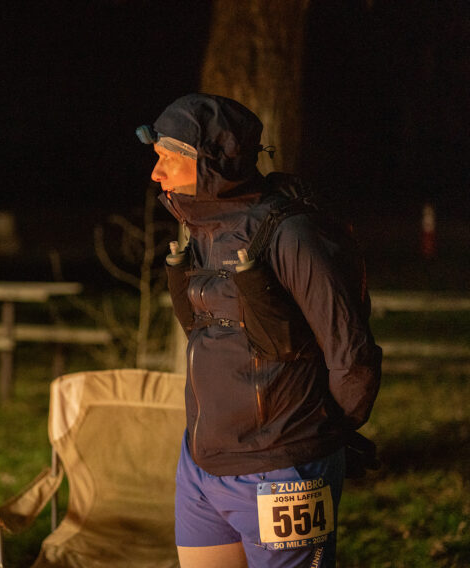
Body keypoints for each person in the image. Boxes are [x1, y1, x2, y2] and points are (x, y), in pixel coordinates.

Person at [137, 93, 382, 568]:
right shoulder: (202, 230)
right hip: (201, 465)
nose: (156, 173)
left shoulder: (291, 233)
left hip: (282, 470)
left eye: (168, 158)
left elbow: (351, 355)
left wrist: (318, 438)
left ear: (211, 162)